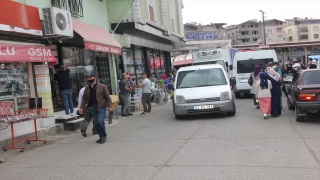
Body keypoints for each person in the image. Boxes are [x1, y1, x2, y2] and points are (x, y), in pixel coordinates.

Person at [79, 74, 113, 144]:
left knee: (100, 121)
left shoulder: (102, 86)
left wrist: (109, 106)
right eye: (88, 78)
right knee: (96, 123)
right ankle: (101, 136)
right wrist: (81, 107)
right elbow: (84, 99)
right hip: (92, 107)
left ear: (95, 78)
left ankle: (103, 136)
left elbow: (107, 97)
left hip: (101, 106)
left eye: (91, 77)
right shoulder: (87, 88)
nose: (89, 79)